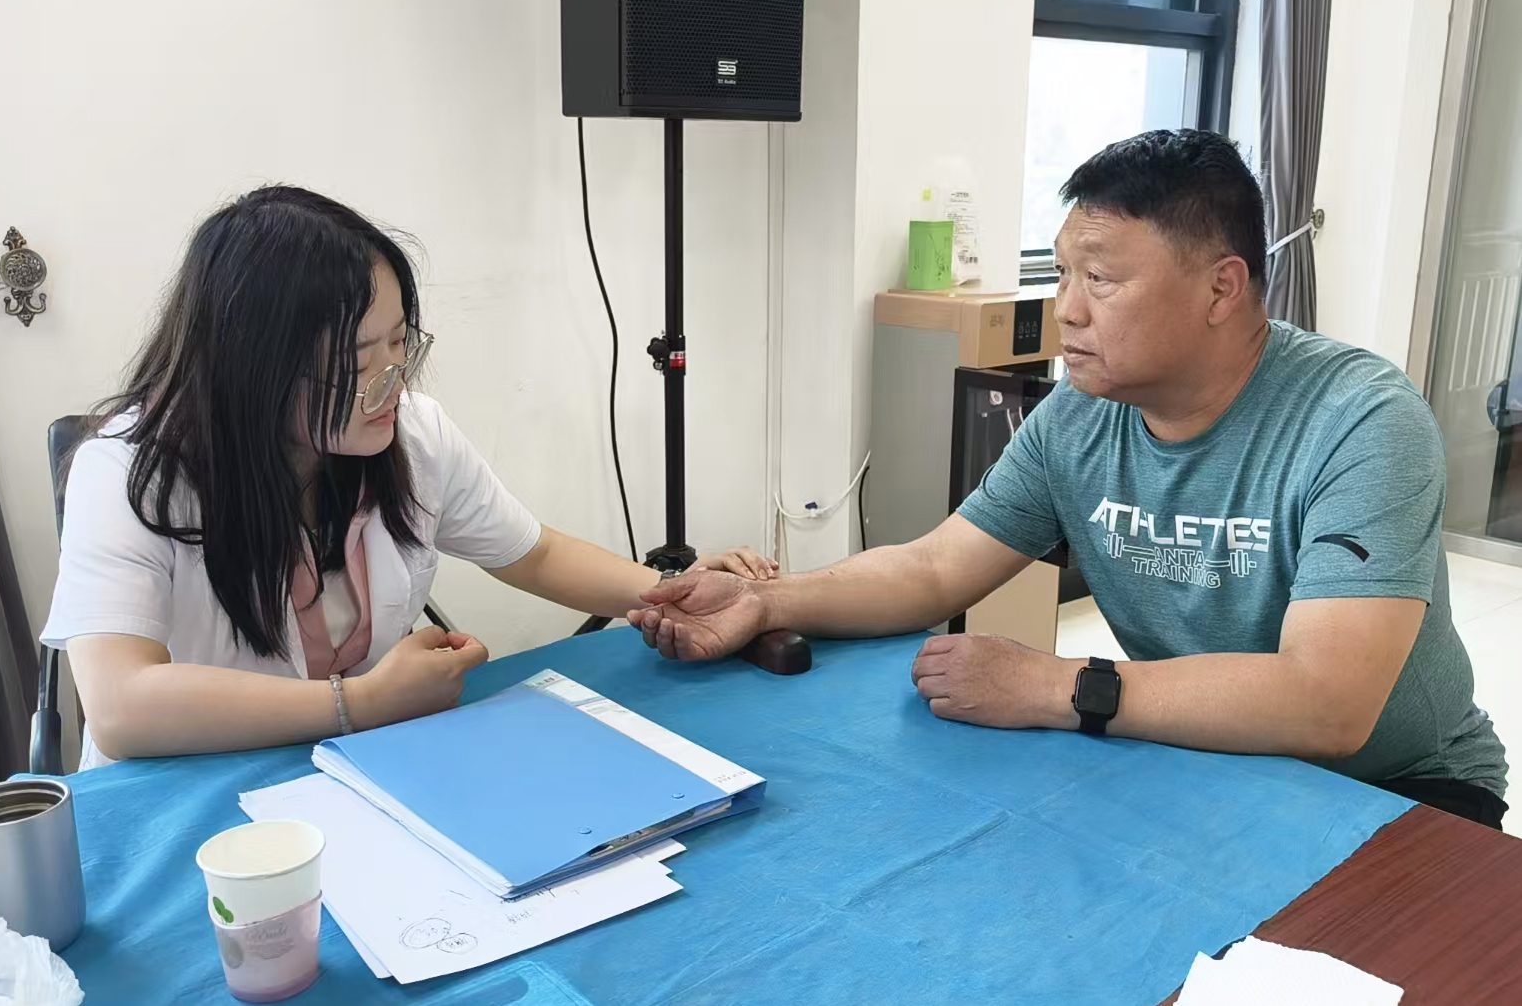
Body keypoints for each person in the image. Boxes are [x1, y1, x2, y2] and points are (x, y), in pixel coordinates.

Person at [630, 130, 1510, 829]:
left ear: (1221, 288)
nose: (1067, 308)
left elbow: (1328, 704)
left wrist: (1054, 684)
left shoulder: (1361, 420)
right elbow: (934, 568)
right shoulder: (1079, 415)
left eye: (1101, 278)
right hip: (1209, 759)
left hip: (1400, 789)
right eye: (1062, 274)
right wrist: (768, 601)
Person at [41, 185, 774, 768]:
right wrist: (359, 702)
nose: (393, 379)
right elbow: (122, 705)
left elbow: (534, 553)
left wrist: (669, 594)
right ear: (252, 370)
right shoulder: (126, 474)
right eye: (357, 362)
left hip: (357, 768)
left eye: (400, 343)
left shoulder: (412, 436)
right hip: (187, 789)